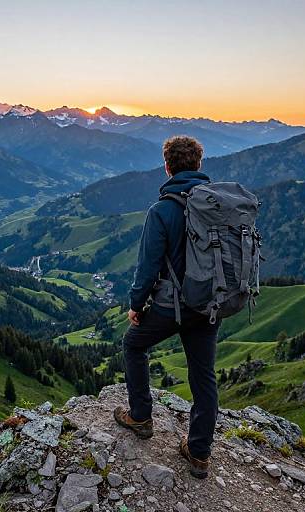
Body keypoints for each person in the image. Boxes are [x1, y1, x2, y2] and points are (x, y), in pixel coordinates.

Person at [114, 136, 221, 479]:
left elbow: (148, 267)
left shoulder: (162, 210)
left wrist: (136, 305)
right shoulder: (218, 205)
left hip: (173, 306)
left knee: (133, 344)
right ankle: (199, 453)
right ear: (199, 165)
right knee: (203, 374)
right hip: (209, 304)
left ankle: (141, 417)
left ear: (167, 166)